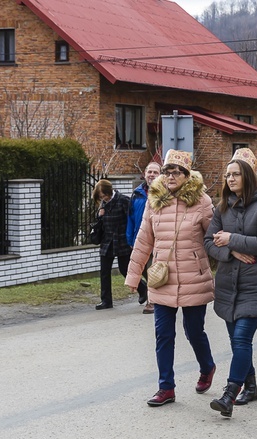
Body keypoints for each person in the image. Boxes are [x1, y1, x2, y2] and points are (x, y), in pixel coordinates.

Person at [124, 150, 217, 407]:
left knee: (194, 331)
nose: (170, 176)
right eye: (167, 171)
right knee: (163, 334)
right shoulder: (155, 202)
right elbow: (144, 241)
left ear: (188, 176)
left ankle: (207, 366)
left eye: (176, 172)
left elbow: (214, 239)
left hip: (193, 278)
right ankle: (166, 387)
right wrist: (134, 276)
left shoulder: (202, 201)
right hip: (162, 279)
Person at [204, 148, 257, 418]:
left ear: (248, 176)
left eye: (235, 174)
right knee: (238, 343)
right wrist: (231, 250)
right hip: (227, 284)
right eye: (227, 175)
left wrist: (231, 238)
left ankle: (229, 394)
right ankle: (251, 385)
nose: (230, 179)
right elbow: (208, 241)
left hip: (254, 284)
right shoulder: (222, 207)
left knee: (241, 338)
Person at [92, 179, 146, 310]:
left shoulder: (123, 200)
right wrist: (99, 216)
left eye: (104, 195)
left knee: (125, 269)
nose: (103, 198)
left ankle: (143, 289)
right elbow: (100, 224)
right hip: (107, 241)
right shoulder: (102, 205)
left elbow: (131, 219)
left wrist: (132, 238)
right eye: (100, 197)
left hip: (122, 240)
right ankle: (106, 301)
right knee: (104, 271)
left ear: (109, 191)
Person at [126, 161, 162, 314]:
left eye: (155, 172)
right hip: (141, 239)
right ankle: (152, 297)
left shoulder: (165, 193)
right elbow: (131, 218)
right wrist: (130, 239)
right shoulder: (137, 193)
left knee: (154, 270)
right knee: (146, 271)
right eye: (150, 172)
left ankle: (152, 302)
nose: (152, 175)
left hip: (159, 239)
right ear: (145, 174)